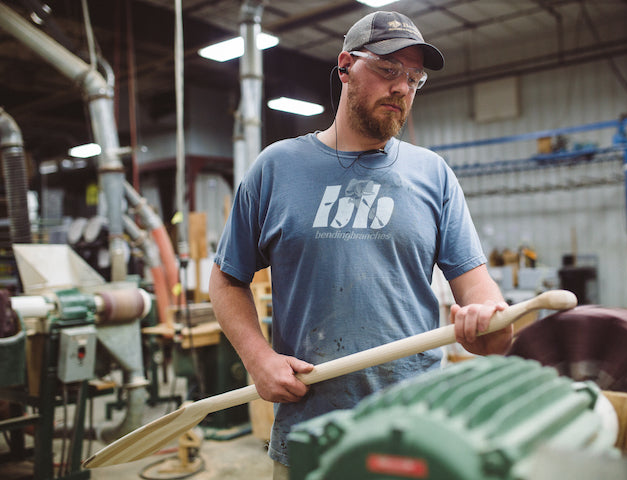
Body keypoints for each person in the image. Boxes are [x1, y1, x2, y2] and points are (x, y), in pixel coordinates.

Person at [209, 10, 513, 479]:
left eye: (414, 78)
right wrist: (258, 357)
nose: (402, 88)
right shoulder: (276, 168)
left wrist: (490, 318)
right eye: (388, 70)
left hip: (413, 428)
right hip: (310, 431)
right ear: (346, 65)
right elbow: (227, 279)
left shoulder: (433, 175)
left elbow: (480, 292)